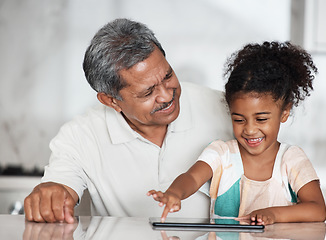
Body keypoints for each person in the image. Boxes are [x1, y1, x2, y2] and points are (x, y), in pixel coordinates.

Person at [24, 18, 233, 223]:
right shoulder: (80, 135)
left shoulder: (225, 109)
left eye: (168, 76)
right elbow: (60, 188)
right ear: (111, 101)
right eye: (148, 92)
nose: (166, 96)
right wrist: (50, 195)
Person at [148, 41, 326, 225]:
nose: (249, 129)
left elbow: (317, 209)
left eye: (261, 119)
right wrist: (175, 193)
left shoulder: (291, 159)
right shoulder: (222, 153)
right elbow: (192, 177)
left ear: (285, 112)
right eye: (239, 120)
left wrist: (273, 215)